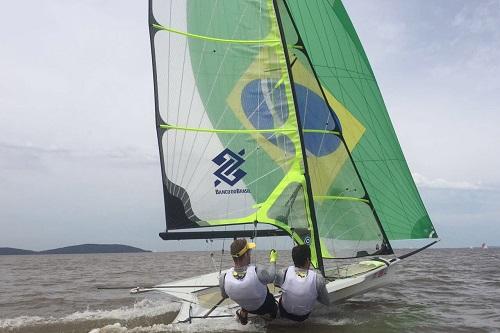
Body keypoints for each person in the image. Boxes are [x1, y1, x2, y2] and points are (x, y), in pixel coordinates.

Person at [219, 238, 278, 325]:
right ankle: (272, 317)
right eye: (249, 252)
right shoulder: (257, 271)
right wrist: (273, 259)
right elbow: (272, 276)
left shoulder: (223, 277)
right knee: (272, 302)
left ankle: (243, 312)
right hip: (264, 307)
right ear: (246, 255)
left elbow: (225, 296)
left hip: (246, 306)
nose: (250, 254)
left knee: (242, 291)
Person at [275, 244, 329, 321]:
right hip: (303, 317)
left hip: (284, 313)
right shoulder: (318, 278)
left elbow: (276, 284)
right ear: (308, 259)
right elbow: (326, 302)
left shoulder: (283, 272)